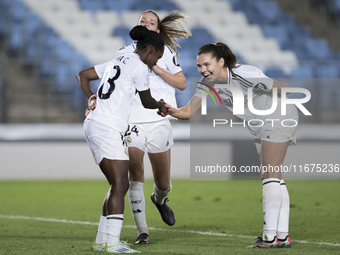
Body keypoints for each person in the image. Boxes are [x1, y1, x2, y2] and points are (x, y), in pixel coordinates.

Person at [165, 42, 297, 248]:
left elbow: (287, 90)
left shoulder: (244, 74)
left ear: (221, 61)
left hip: (278, 117)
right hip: (260, 127)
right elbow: (187, 112)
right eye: (200, 66)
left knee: (269, 174)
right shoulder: (206, 83)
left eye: (207, 64)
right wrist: (168, 109)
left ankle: (269, 238)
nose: (203, 70)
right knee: (275, 177)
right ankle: (282, 236)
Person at [76, 25, 167, 253]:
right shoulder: (139, 66)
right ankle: (112, 244)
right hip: (107, 126)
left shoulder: (119, 59)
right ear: (152, 49)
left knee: (117, 184)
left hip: (96, 124)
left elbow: (83, 75)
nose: (155, 62)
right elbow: (147, 101)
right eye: (157, 57)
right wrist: (161, 105)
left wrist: (91, 97)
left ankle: (102, 241)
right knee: (120, 184)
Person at [114, 10, 191, 244]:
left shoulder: (165, 52)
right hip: (132, 119)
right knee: (135, 172)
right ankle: (142, 232)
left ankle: (159, 200)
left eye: (151, 22)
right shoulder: (124, 53)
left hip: (159, 120)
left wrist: (155, 66)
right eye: (143, 22)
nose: (147, 25)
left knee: (163, 183)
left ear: (157, 30)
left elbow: (181, 83)